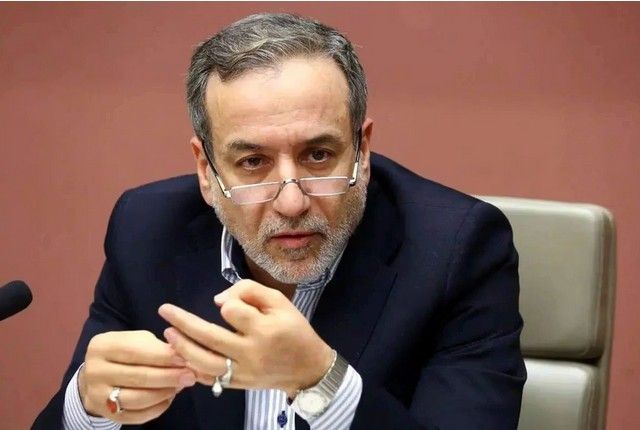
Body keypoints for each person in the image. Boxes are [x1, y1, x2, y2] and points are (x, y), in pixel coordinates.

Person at [34, 12, 526, 430]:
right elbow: (87, 406)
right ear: (207, 171)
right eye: (253, 163)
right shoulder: (146, 232)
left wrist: (321, 381)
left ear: (362, 151)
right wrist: (88, 406)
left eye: (318, 155)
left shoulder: (457, 249)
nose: (291, 202)